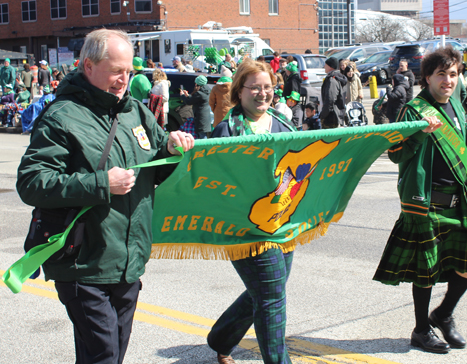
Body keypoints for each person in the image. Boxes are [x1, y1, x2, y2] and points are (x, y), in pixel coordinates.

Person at [16, 29, 194, 364]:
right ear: (87, 66)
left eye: (129, 72)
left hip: (128, 262)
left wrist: (172, 150)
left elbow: (155, 169)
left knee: (108, 354)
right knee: (105, 356)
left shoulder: (137, 114)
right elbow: (31, 182)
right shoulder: (61, 117)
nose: (123, 80)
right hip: (83, 262)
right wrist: (101, 183)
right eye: (116, 71)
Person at [373, 46, 467, 354]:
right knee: (425, 273)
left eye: (454, 74)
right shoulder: (413, 110)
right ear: (427, 77)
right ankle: (421, 329)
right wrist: (421, 132)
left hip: (458, 202)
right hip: (424, 202)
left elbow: (464, 153)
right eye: (441, 75)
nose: (448, 81)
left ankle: (444, 314)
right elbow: (396, 154)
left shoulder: (457, 107)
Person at [208, 58, 296, 364]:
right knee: (272, 298)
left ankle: (221, 338)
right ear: (239, 91)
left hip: (282, 226)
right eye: (254, 88)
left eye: (267, 87)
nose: (262, 93)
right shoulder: (224, 130)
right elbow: (212, 182)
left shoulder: (285, 126)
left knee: (267, 290)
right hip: (243, 229)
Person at [320, 57, 344, 129]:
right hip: (335, 116)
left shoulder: (332, 80)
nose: (324, 67)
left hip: (332, 117)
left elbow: (330, 99)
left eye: (325, 65)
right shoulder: (335, 77)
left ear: (330, 67)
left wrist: (323, 115)